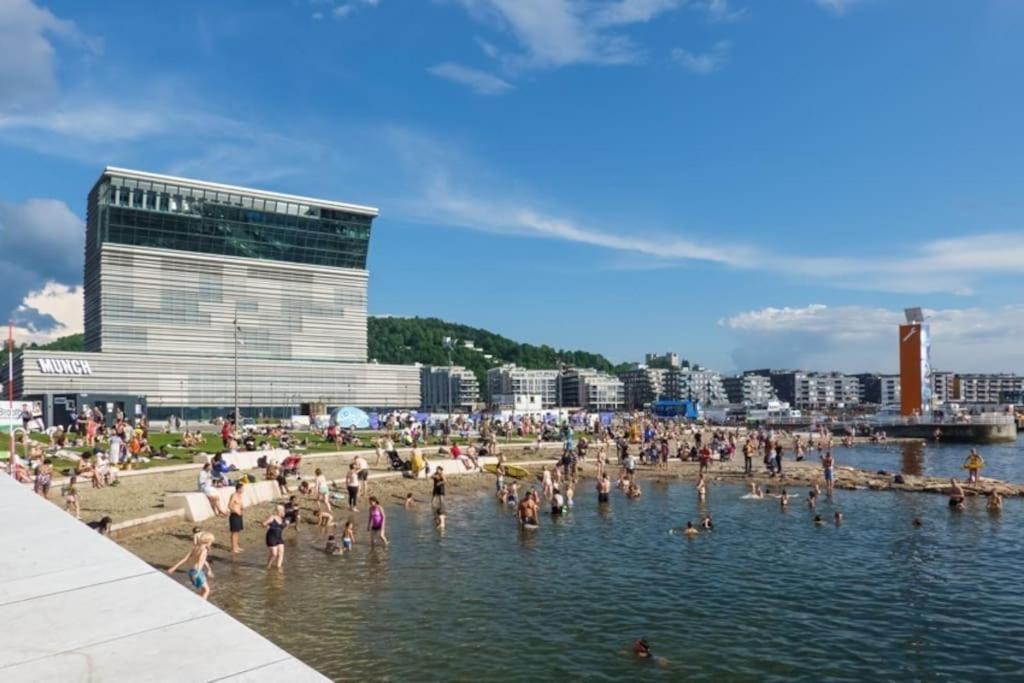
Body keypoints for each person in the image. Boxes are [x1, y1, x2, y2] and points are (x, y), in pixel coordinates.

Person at [168, 531, 215, 599]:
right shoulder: (204, 550)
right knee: (207, 590)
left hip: (191, 571)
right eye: (211, 542)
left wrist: (174, 567)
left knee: (203, 589)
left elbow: (185, 559)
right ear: (208, 541)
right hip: (197, 572)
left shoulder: (196, 548)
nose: (211, 543)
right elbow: (200, 561)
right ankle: (202, 605)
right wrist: (198, 573)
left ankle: (199, 601)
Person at [262, 505, 286, 569]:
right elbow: (263, 523)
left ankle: (279, 567)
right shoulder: (272, 517)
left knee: (281, 552)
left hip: (279, 537)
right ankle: (268, 565)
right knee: (274, 554)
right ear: (279, 511)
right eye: (283, 511)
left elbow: (282, 527)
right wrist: (268, 527)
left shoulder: (283, 519)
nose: (284, 512)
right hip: (271, 538)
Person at [228, 483, 245, 553]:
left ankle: (236, 546)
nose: (243, 490)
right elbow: (229, 506)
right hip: (234, 515)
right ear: (238, 489)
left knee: (237, 532)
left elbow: (240, 505)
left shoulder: (240, 496)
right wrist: (236, 511)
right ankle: (233, 548)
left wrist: (242, 509)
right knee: (234, 532)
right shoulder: (234, 495)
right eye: (242, 489)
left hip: (239, 516)